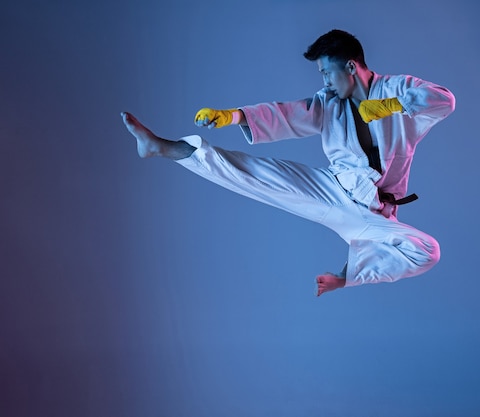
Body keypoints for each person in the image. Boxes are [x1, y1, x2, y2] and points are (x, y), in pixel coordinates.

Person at [121, 29, 455, 296]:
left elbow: (444, 100)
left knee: (427, 250)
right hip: (334, 188)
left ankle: (345, 277)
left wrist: (392, 105)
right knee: (257, 175)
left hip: (371, 212)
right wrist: (234, 116)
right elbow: (287, 114)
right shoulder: (329, 103)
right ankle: (162, 147)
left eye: (327, 73)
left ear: (351, 67)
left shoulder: (397, 88)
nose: (324, 81)